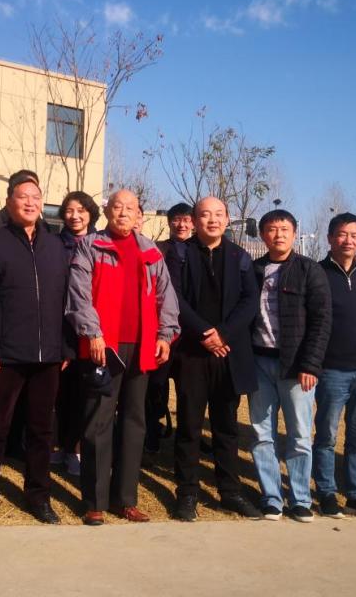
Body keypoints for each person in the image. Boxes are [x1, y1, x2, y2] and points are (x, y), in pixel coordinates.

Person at [66, 189, 180, 526]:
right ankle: (95, 501)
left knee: (134, 422)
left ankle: (125, 499)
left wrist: (165, 334)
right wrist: (92, 332)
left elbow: (166, 296)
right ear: (107, 212)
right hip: (104, 347)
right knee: (98, 422)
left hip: (142, 348)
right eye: (117, 206)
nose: (123, 212)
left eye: (130, 208)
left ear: (139, 215)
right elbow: (78, 295)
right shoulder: (91, 246)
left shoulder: (150, 251)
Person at [0, 176, 70, 525]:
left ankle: (39, 496)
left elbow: (65, 300)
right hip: (6, 355)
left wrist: (65, 347)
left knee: (42, 430)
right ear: (9, 202)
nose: (30, 202)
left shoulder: (55, 246)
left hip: (48, 356)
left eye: (35, 197)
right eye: (23, 196)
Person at [169, 197, 262, 522]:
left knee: (226, 428)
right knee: (189, 427)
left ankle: (230, 492)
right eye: (205, 214)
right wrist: (204, 333)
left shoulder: (239, 257)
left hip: (229, 354)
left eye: (219, 214)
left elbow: (250, 300)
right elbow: (174, 298)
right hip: (192, 353)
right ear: (194, 220)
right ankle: (187, 493)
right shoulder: (180, 254)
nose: (212, 220)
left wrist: (223, 334)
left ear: (227, 219)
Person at [247, 209, 331, 523]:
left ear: (294, 233)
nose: (278, 235)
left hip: (296, 367)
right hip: (259, 362)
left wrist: (311, 364)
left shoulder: (309, 269)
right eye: (271, 229)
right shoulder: (253, 269)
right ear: (263, 235)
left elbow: (322, 321)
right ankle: (271, 498)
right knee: (262, 434)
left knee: (299, 435)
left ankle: (300, 499)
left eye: (284, 229)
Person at [312, 213, 356, 520]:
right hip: (331, 371)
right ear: (330, 238)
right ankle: (326, 493)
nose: (348, 240)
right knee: (326, 437)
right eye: (342, 234)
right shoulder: (316, 273)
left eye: (354, 235)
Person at [53, 191, 100, 477]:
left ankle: (80, 450)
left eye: (81, 210)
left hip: (95, 330)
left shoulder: (100, 243)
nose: (75, 216)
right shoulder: (53, 244)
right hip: (63, 329)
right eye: (70, 210)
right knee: (64, 394)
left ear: (91, 213)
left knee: (89, 395)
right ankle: (64, 446)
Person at [146, 201, 193, 452]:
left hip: (192, 332)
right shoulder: (159, 249)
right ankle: (152, 431)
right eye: (177, 219)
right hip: (163, 329)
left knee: (189, 390)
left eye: (186, 220)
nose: (181, 224)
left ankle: (188, 437)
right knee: (156, 385)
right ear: (169, 222)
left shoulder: (199, 250)